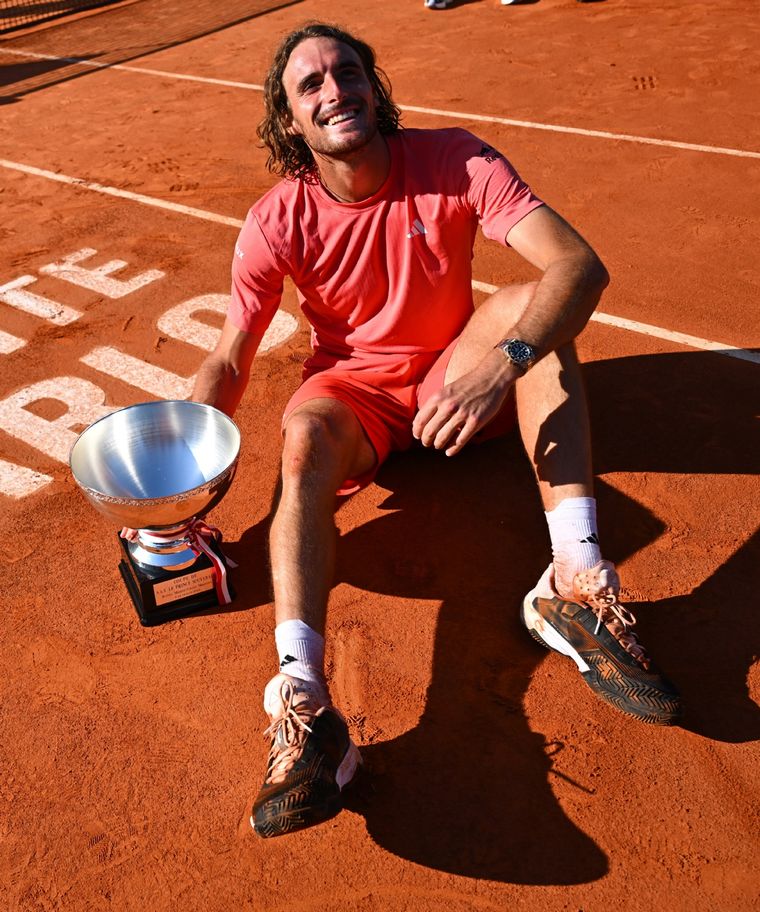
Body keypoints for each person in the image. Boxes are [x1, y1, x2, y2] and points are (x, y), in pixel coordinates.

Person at [191, 22, 681, 839]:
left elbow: (577, 265)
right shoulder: (276, 219)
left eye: (346, 72)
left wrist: (504, 364)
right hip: (358, 396)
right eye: (308, 85)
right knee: (304, 441)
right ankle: (306, 707)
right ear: (289, 124)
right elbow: (230, 353)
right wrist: (190, 462)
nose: (333, 89)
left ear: (375, 89)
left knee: (538, 313)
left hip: (459, 378)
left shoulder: (456, 160)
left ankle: (575, 580)